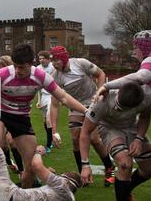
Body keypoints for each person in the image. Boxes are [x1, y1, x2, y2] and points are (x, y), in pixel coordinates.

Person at [0, 44, 86, 195]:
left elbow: (64, 97)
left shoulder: (40, 76)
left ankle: (23, 196)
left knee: (31, 165)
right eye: (15, 66)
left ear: (30, 63)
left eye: (21, 67)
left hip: (21, 117)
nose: (18, 71)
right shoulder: (4, 73)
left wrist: (86, 111)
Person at [80, 82, 151, 201]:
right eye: (117, 105)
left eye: (122, 108)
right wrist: (85, 164)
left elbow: (145, 117)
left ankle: (126, 190)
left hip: (133, 127)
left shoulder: (147, 96)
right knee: (124, 164)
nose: (117, 109)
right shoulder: (102, 101)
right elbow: (85, 133)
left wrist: (139, 139)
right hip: (109, 128)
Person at [49, 46, 115, 186]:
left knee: (94, 139)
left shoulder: (80, 63)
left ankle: (109, 168)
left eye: (56, 60)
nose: (54, 64)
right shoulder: (56, 76)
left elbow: (101, 74)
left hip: (93, 104)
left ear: (64, 58)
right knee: (74, 138)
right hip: (75, 107)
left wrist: (99, 94)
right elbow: (54, 104)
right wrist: (54, 130)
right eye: (52, 61)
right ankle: (83, 176)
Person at [0, 55, 24, 176]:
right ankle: (9, 162)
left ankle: (21, 171)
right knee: (2, 145)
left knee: (12, 142)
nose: (0, 71)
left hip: (14, 113)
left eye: (3, 68)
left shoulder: (17, 79)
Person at [36, 51, 55, 153]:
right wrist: (39, 100)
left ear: (48, 59)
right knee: (45, 121)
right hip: (43, 96)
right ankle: (52, 138)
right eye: (40, 59)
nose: (41, 60)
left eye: (43, 58)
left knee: (48, 119)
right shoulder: (38, 69)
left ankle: (49, 144)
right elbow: (38, 86)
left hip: (52, 95)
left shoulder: (53, 68)